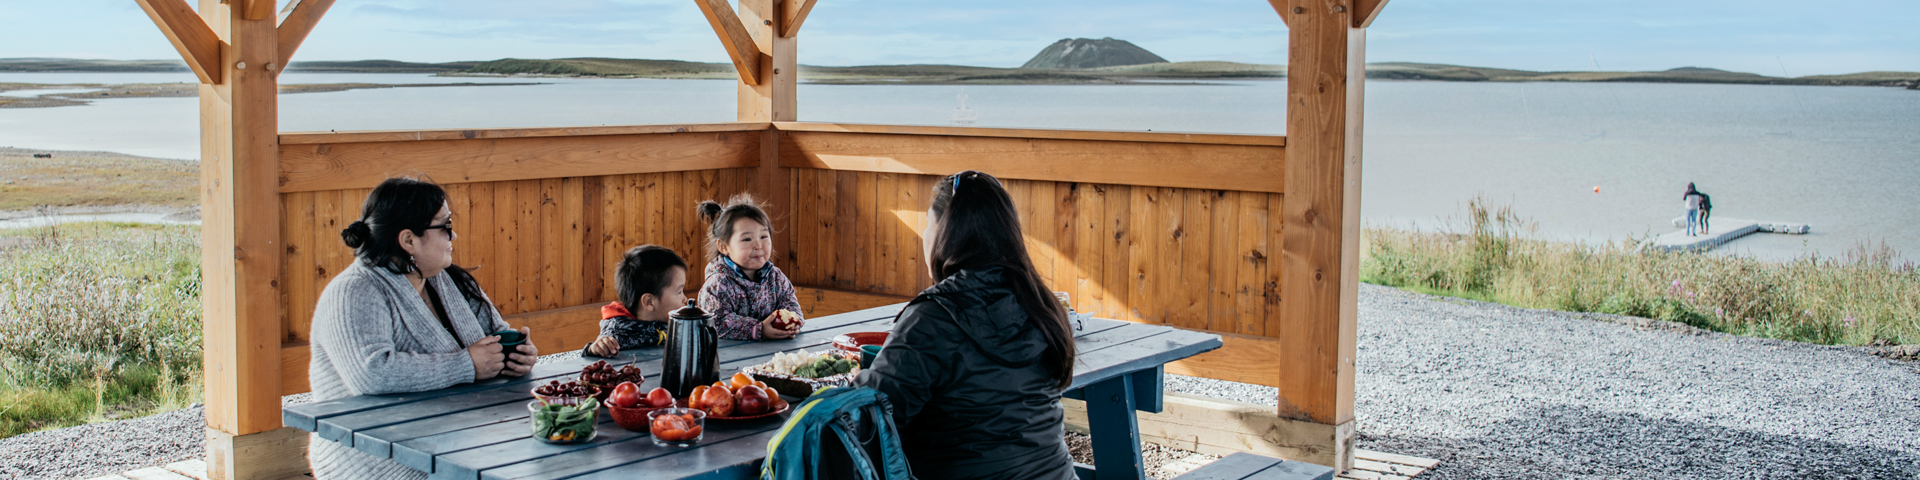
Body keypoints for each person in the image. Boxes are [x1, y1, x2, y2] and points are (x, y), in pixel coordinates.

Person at [307, 177, 538, 480]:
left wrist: (518, 354)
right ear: (408, 240)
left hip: (455, 434)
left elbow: (496, 332)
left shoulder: (448, 278)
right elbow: (372, 373)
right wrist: (465, 365)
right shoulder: (354, 292)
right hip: (374, 457)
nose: (452, 234)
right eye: (444, 226)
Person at [854, 170, 1079, 480]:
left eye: (928, 226)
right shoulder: (1042, 305)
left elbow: (872, 418)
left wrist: (859, 383)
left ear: (944, 234)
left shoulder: (934, 316)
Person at [695, 194, 804, 340]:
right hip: (730, 357)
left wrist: (793, 322)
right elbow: (717, 322)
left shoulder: (775, 276)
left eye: (764, 237)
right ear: (723, 247)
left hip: (773, 353)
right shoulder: (718, 284)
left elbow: (789, 302)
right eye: (747, 239)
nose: (758, 245)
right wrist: (759, 330)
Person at [584, 245, 688, 357]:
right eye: (679, 292)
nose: (685, 299)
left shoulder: (667, 320)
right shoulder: (618, 335)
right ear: (649, 302)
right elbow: (592, 362)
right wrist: (594, 349)